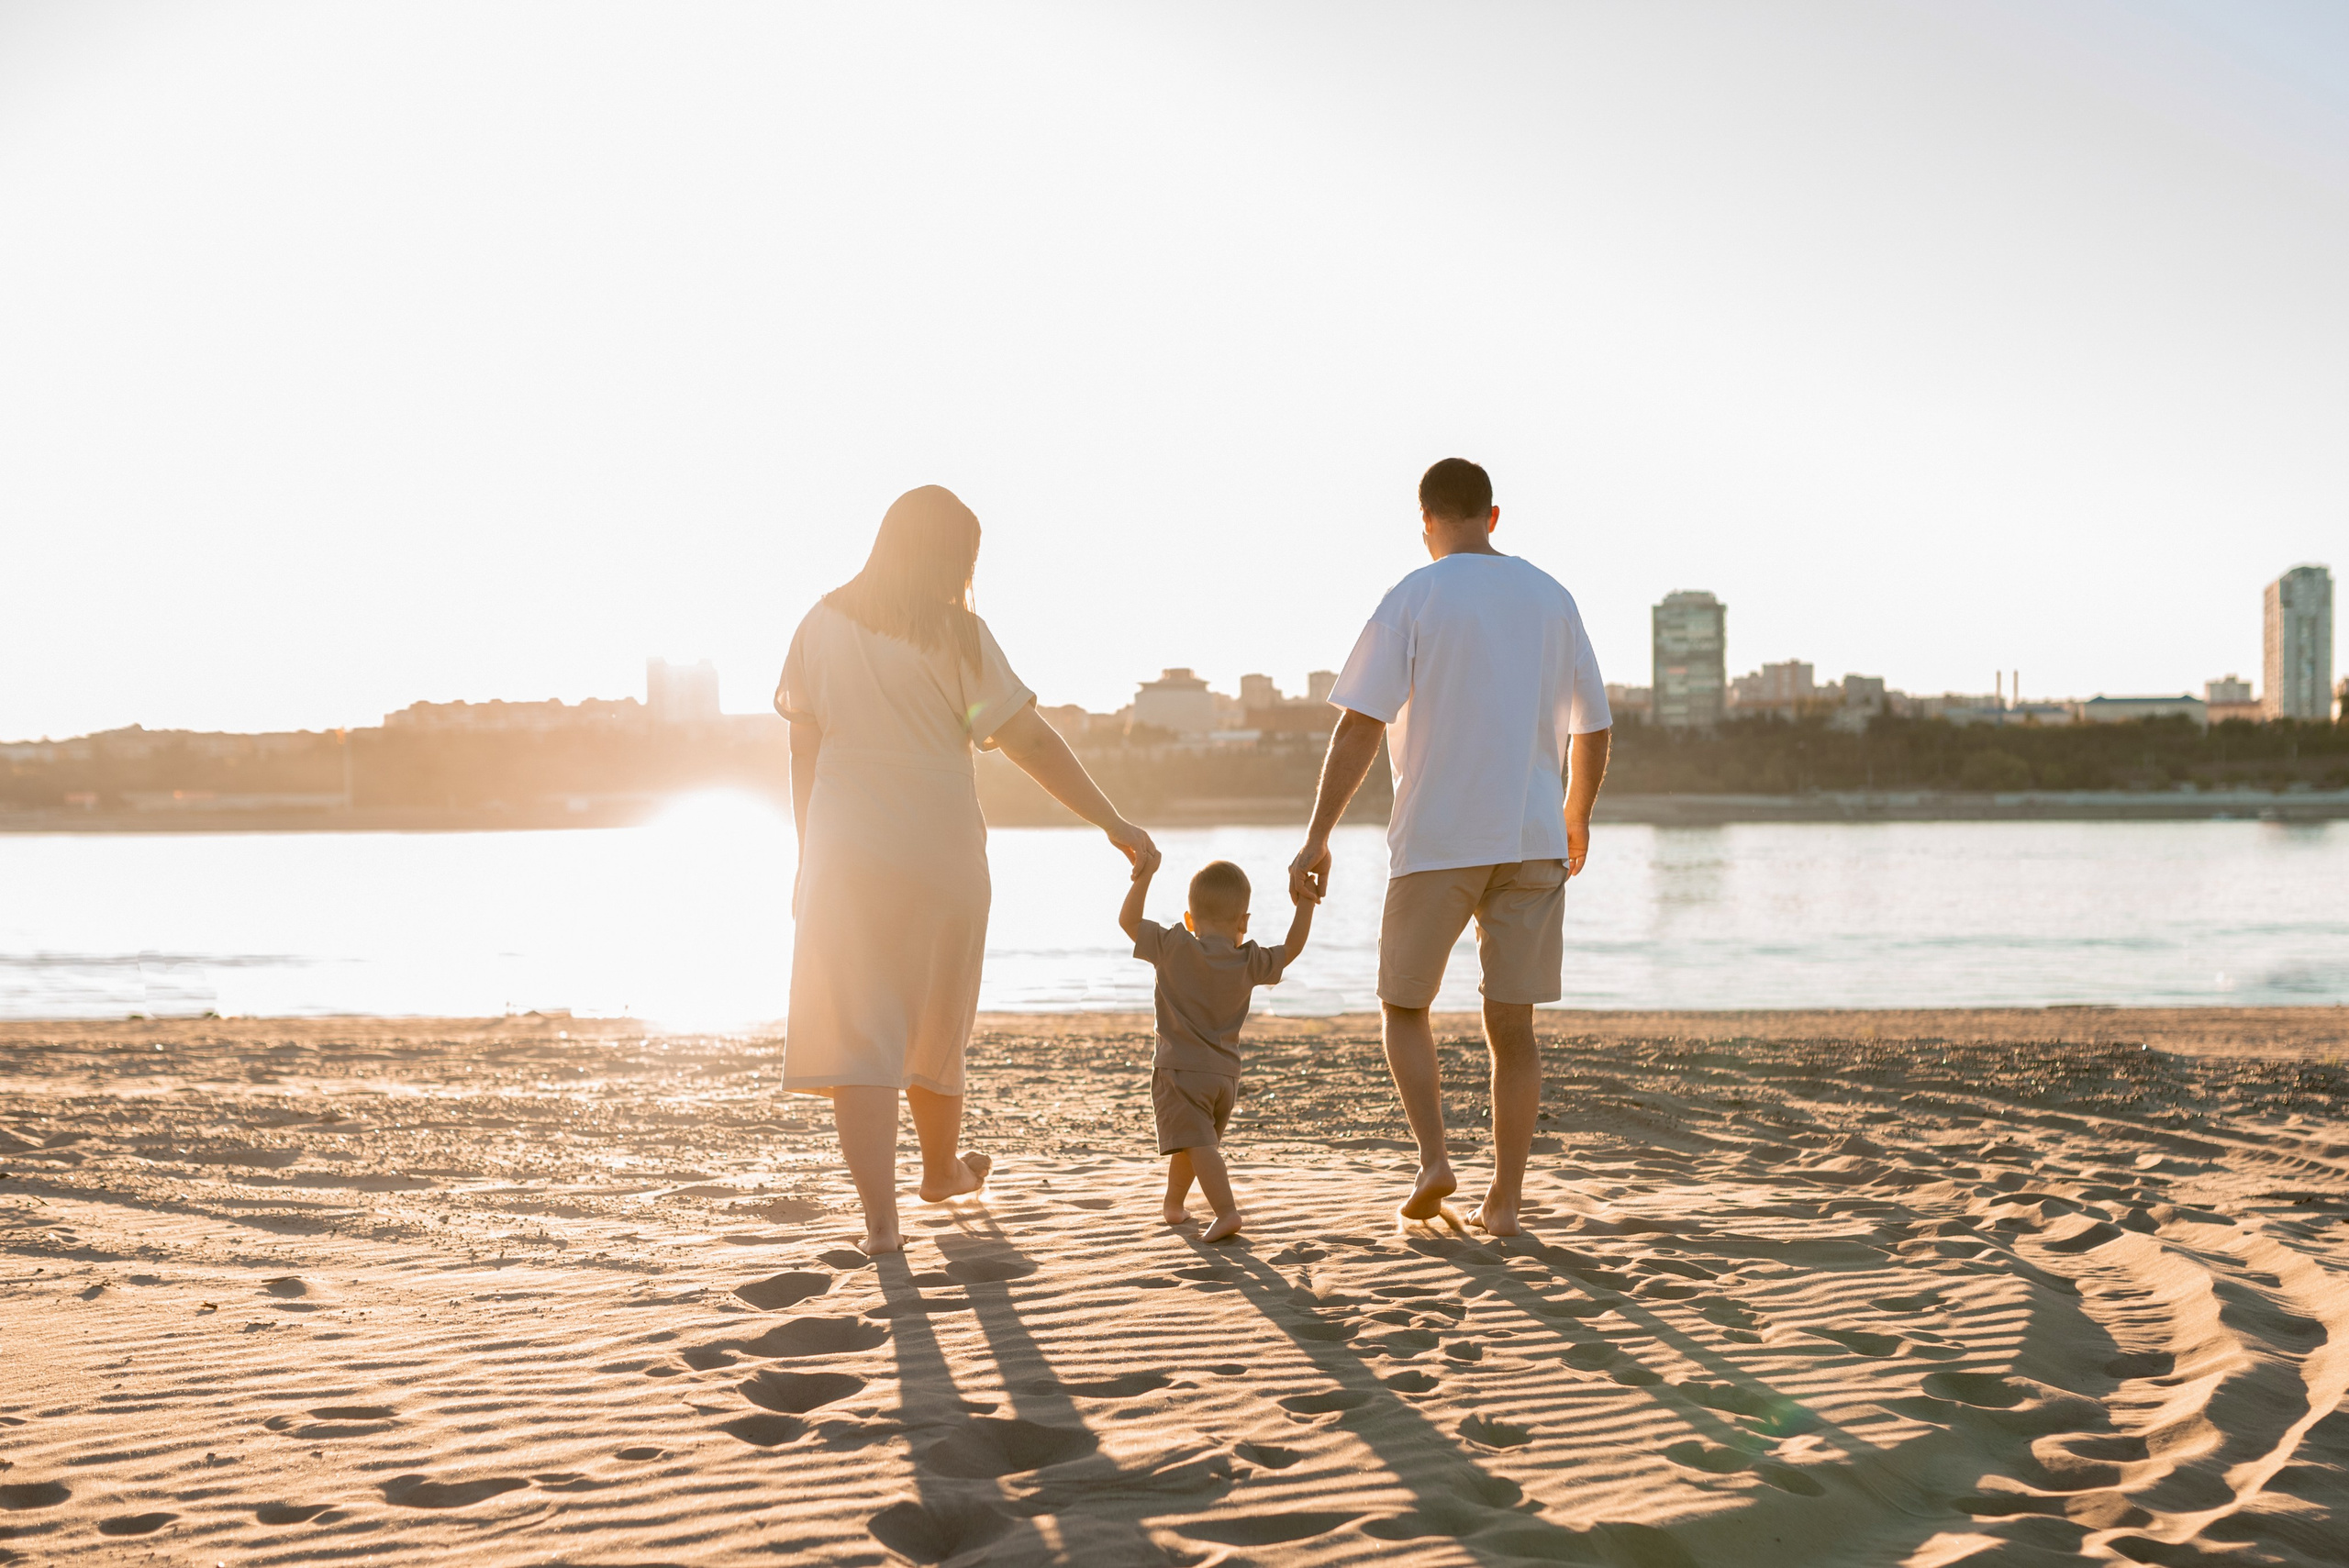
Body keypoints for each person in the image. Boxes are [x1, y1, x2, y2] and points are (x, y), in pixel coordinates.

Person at [775, 485, 1159, 1255]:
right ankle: (942, 1167)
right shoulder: (959, 637)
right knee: (937, 1015)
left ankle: (882, 1225)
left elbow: (803, 752)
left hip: (846, 851)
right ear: (954, 558)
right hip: (939, 850)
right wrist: (1112, 821)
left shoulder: (818, 625)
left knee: (862, 1035)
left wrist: (803, 854)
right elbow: (1033, 742)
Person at [1288, 458, 1611, 1236]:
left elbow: (1361, 722)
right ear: (1493, 516)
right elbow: (1593, 725)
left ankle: (1434, 1157)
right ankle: (1504, 1201)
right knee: (1513, 1028)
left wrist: (1319, 833)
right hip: (1532, 836)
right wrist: (1576, 814)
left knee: (1404, 1005)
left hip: (1437, 838)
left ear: (1427, 520)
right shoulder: (1551, 596)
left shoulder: (1415, 593)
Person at [1119, 858, 1313, 1242]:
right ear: (1244, 922)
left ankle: (1226, 1212)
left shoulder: (1173, 944)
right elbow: (1292, 948)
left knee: (1198, 1145)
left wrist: (1144, 877)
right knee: (1191, 1143)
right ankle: (1173, 1204)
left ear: (1190, 920)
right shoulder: (1249, 959)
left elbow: (1128, 922)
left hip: (1181, 1071)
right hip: (1225, 1079)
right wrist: (1305, 902)